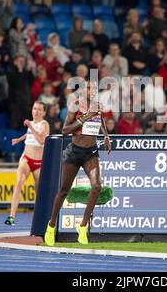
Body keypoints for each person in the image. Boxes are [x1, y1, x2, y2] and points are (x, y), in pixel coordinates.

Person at [44, 80, 111, 246]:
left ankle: (82, 226)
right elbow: (65, 130)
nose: (92, 90)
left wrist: (106, 135)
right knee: (64, 190)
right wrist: (83, 119)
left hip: (91, 152)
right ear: (82, 91)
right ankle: (51, 226)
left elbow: (100, 121)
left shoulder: (97, 106)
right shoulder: (75, 106)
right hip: (75, 152)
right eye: (89, 88)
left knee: (97, 187)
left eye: (94, 88)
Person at [5, 101, 49, 226]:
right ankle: (11, 216)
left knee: (39, 191)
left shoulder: (44, 124)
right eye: (34, 109)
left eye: (39, 109)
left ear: (44, 112)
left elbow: (41, 140)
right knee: (18, 184)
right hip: (26, 159)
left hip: (39, 162)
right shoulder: (32, 124)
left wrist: (30, 126)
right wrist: (19, 139)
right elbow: (28, 134)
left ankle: (40, 218)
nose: (36, 111)